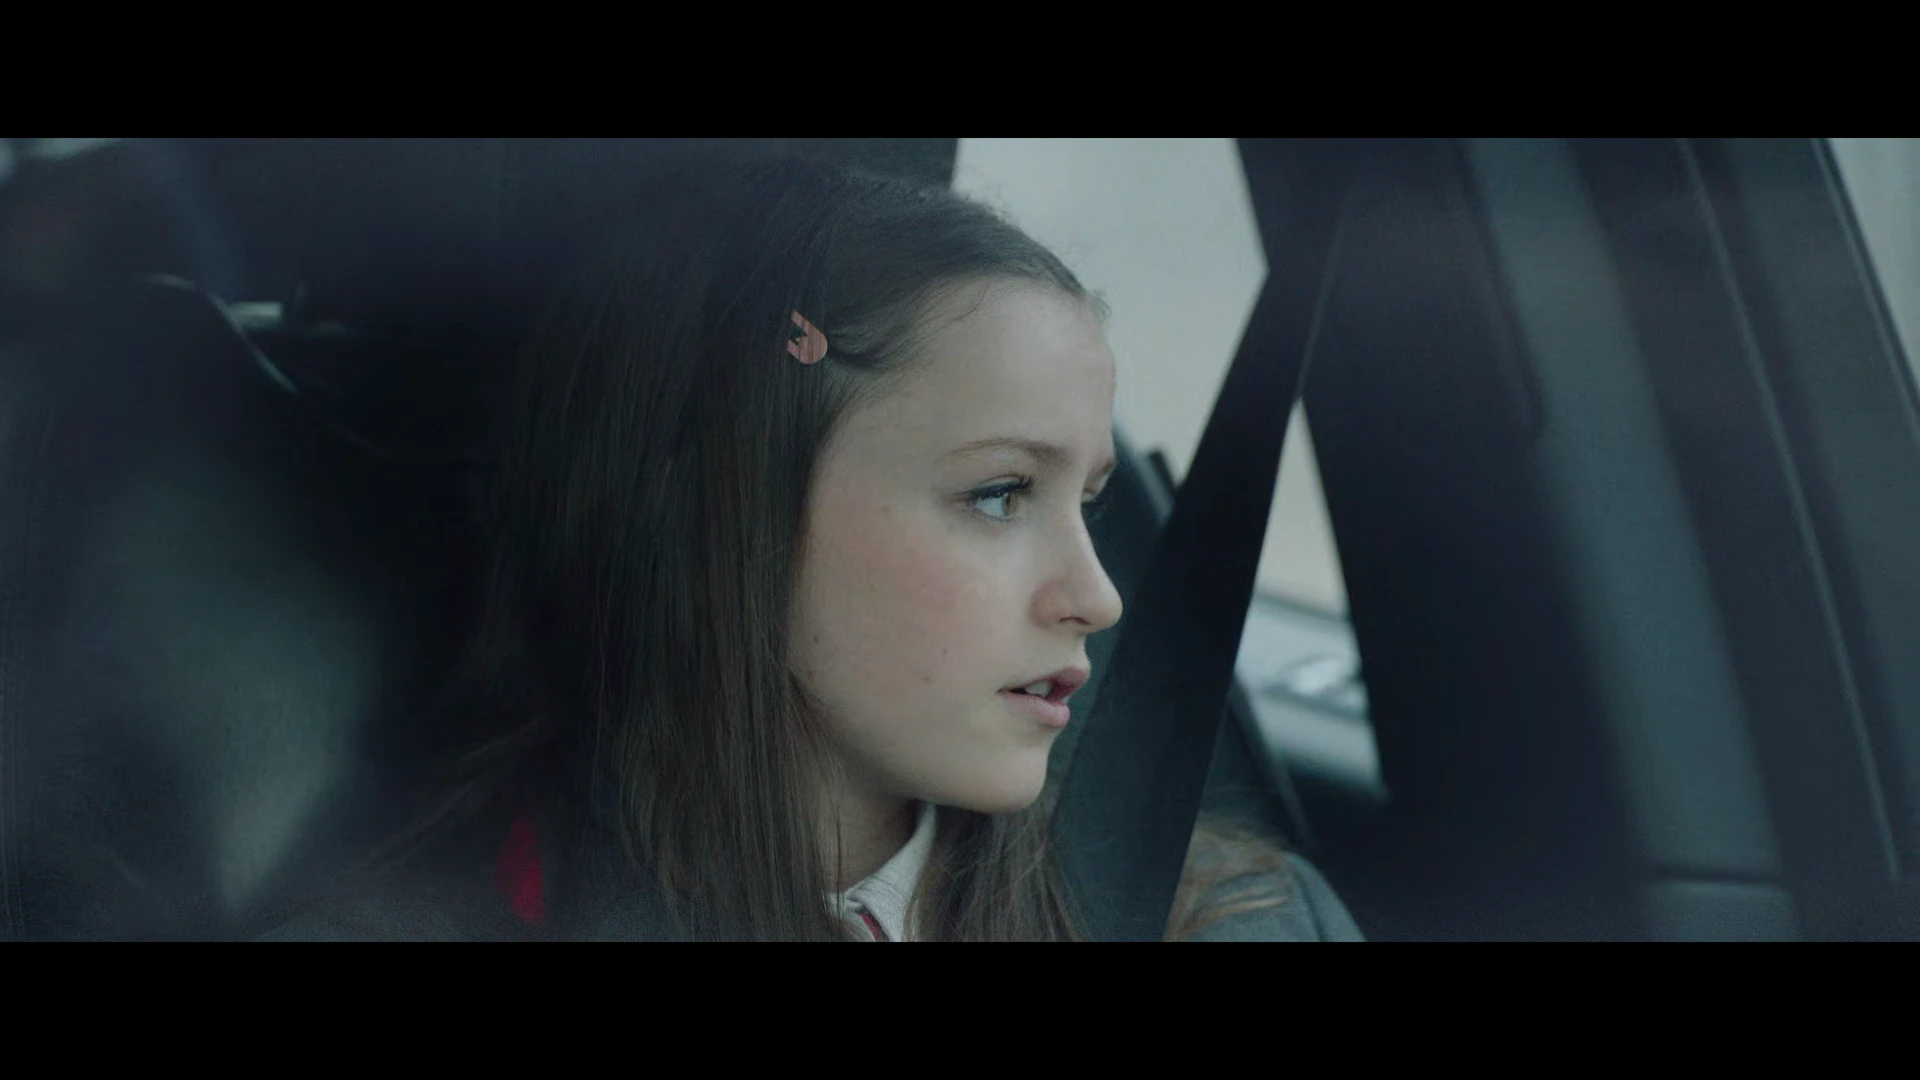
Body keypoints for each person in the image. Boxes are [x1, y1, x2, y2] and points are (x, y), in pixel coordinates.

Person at [264, 147, 1362, 942]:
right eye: (998, 495)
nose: (1099, 596)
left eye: (1091, 502)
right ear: (724, 510)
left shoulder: (1238, 921)